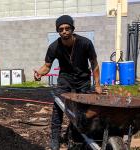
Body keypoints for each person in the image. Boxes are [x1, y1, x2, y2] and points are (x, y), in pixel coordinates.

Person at [34, 15, 102, 150]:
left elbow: (94, 64)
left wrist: (98, 85)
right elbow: (47, 66)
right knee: (58, 107)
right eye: (61, 29)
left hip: (83, 80)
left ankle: (81, 136)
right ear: (58, 31)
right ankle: (55, 138)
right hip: (65, 79)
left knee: (84, 110)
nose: (64, 31)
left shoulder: (85, 43)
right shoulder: (54, 47)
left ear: (72, 29)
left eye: (67, 28)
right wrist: (39, 74)